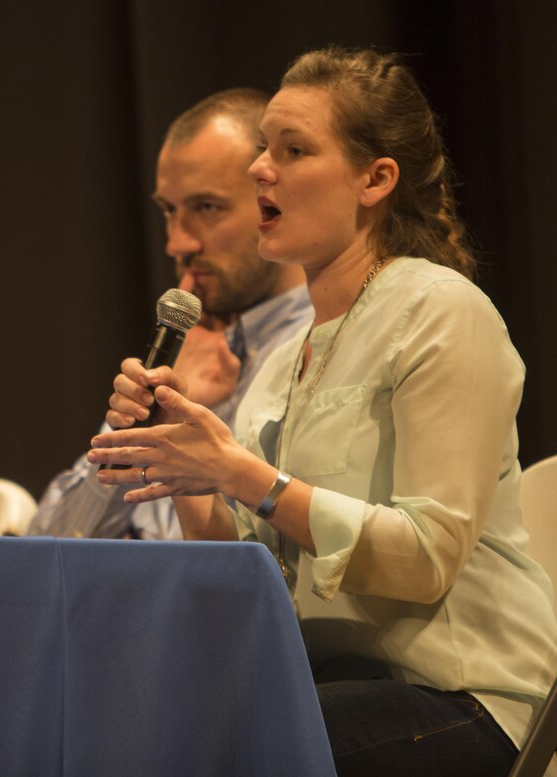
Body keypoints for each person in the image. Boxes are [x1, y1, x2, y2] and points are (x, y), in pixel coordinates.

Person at [88, 47, 557, 775]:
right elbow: (249, 570)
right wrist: (186, 467)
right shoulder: (285, 360)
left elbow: (426, 558)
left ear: (375, 179)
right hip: (325, 685)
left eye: (293, 150)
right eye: (262, 150)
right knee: (117, 724)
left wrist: (246, 477)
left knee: (219, 750)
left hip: (466, 696)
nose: (259, 170)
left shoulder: (442, 312)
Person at [29, 88, 311, 539]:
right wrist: (141, 422)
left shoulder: (319, 344)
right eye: (168, 211)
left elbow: (290, 555)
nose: (177, 244)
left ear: (272, 199)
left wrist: (195, 420)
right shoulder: (179, 348)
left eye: (206, 208)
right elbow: (47, 548)